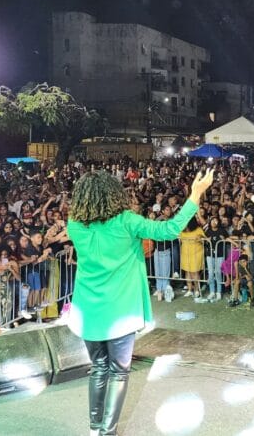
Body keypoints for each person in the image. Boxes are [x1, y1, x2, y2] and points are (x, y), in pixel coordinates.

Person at [67, 168, 213, 436]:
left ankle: (95, 429)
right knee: (118, 372)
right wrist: (195, 194)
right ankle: (107, 432)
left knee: (98, 368)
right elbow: (170, 229)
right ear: (114, 195)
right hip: (120, 309)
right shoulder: (127, 222)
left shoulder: (74, 225)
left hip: (88, 309)